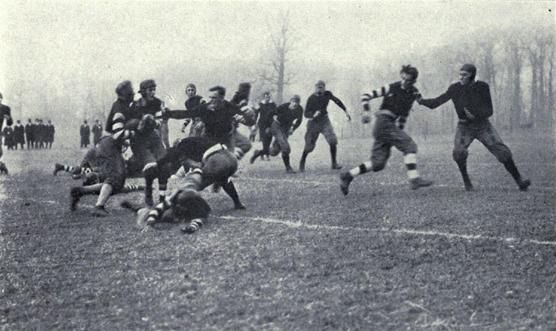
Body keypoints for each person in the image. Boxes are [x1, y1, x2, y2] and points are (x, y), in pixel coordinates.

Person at [417, 63, 530, 191]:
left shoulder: (482, 87)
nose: (461, 78)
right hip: (464, 127)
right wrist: (422, 101)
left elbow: (489, 111)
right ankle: (467, 181)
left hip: (482, 125)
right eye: (460, 75)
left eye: (464, 75)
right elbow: (436, 102)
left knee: (503, 152)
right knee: (459, 153)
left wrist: (476, 116)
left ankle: (519, 180)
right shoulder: (455, 88)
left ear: (472, 75)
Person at [340, 65, 434, 195]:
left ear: (413, 81)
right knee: (410, 146)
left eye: (408, 80)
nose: (404, 82)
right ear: (401, 76)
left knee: (378, 163)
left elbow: (404, 115)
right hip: (383, 123)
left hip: (389, 127)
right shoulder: (392, 87)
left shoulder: (413, 93)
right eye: (403, 78)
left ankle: (348, 175)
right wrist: (366, 111)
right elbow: (366, 96)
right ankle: (414, 179)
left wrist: (398, 132)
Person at [140, 135, 245, 233]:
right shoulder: (198, 142)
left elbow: (173, 154)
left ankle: (174, 211)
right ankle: (237, 203)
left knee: (187, 188)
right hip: (231, 159)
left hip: (216, 161)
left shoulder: (183, 144)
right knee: (223, 178)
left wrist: (157, 163)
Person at [54, 132, 144, 216]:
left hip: (103, 156)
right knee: (114, 179)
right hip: (101, 160)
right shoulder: (111, 143)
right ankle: (98, 207)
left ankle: (79, 191)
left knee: (113, 186)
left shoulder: (109, 147)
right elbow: (84, 167)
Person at [299, 80, 351, 172]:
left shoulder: (327, 94)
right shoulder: (311, 98)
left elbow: (337, 101)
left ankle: (334, 163)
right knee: (309, 146)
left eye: (322, 87)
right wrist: (313, 114)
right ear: (315, 88)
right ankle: (302, 161)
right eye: (318, 87)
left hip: (324, 121)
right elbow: (306, 113)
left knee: (333, 140)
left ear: (324, 88)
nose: (320, 89)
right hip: (313, 123)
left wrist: (345, 110)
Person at [253, 95, 303, 173]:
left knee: (274, 151)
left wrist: (293, 128)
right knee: (285, 147)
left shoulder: (299, 109)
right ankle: (288, 168)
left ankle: (260, 152)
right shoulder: (283, 107)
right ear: (290, 101)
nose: (295, 104)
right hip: (277, 126)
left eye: (297, 102)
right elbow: (270, 114)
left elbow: (299, 120)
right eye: (293, 101)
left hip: (285, 129)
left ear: (299, 103)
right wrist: (268, 126)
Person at [250, 91, 277, 162]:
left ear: (269, 97)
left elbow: (276, 112)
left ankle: (261, 153)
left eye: (268, 97)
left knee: (269, 139)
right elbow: (256, 114)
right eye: (266, 97)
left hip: (270, 124)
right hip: (262, 124)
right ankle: (267, 155)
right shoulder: (261, 104)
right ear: (264, 97)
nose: (267, 98)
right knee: (264, 140)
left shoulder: (273, 104)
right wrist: (254, 123)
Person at [0, 92, 13, 172]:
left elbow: (10, 123)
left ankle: (1, 165)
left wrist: (8, 118)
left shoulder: (5, 108)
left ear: (1, 99)